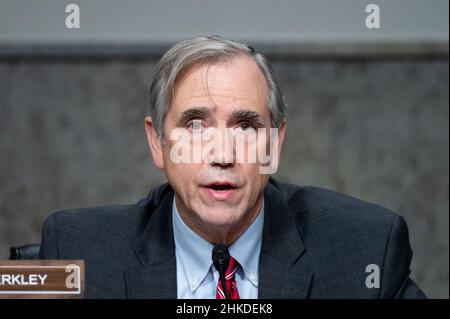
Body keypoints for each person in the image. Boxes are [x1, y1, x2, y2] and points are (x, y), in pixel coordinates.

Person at [39, 35, 426, 299]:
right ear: (157, 142)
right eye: (194, 126)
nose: (222, 154)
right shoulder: (78, 253)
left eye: (245, 126)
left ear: (274, 144)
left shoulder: (365, 250)